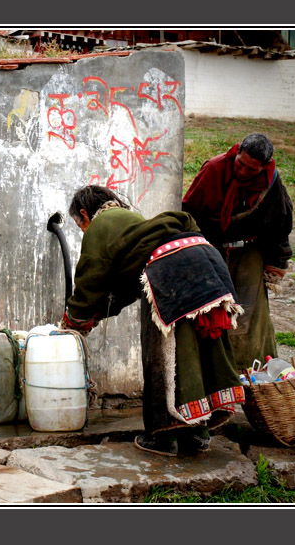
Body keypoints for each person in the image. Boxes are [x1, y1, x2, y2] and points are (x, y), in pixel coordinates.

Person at [60, 185, 246, 457]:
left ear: (85, 214)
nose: (84, 233)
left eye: (81, 227)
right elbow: (125, 286)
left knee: (160, 355)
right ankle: (196, 433)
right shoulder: (133, 221)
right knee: (194, 351)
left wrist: (73, 320)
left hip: (170, 270)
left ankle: (164, 436)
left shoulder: (100, 225)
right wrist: (99, 314)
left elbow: (90, 280)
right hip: (205, 261)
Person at [182, 133, 293, 371]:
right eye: (240, 164)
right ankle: (212, 371)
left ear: (264, 167)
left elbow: (279, 222)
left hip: (250, 251)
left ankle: (250, 368)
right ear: (236, 153)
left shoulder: (270, 182)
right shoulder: (214, 169)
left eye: (251, 170)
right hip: (211, 249)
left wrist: (278, 260)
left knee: (249, 312)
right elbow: (189, 212)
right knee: (211, 310)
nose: (243, 172)